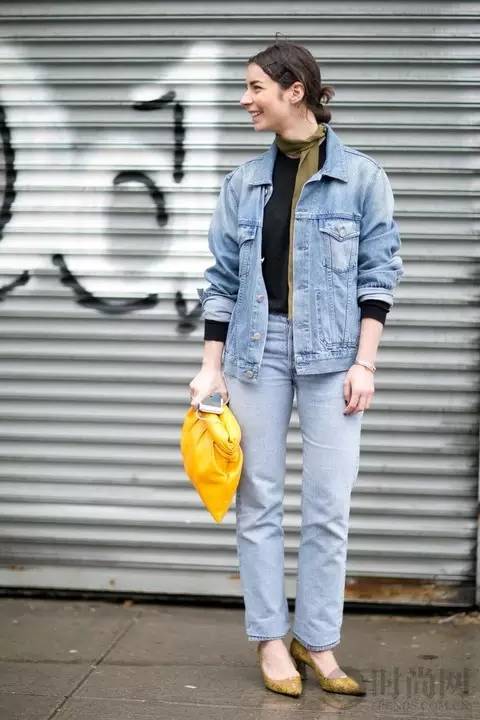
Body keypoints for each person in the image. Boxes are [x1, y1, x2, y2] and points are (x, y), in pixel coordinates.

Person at [189, 39, 404, 698]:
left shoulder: (361, 178)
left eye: (255, 87)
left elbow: (379, 275)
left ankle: (317, 639)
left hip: (335, 356)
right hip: (256, 353)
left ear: (295, 91)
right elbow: (222, 280)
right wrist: (210, 368)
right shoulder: (243, 183)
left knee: (328, 505)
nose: (245, 99)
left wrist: (365, 362)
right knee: (258, 501)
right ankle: (268, 638)